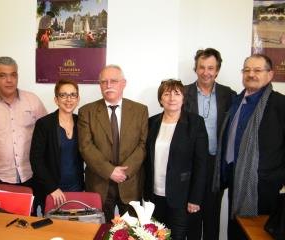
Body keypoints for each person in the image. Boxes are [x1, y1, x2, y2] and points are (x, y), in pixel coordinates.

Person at [213, 54, 285, 239]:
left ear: (270, 75)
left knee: (257, 235)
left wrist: (279, 179)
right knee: (236, 230)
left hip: (263, 187)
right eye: (247, 70)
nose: (251, 74)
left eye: (257, 70)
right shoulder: (236, 100)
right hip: (234, 178)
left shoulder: (280, 104)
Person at [0, 56, 47, 207]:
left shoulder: (32, 101)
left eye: (13, 74)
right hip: (1, 179)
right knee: (3, 223)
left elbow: (47, 135)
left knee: (31, 221)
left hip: (33, 175)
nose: (9, 80)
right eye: (3, 75)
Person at [78, 64, 148, 223]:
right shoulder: (86, 111)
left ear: (124, 83)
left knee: (132, 232)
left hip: (130, 183)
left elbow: (143, 145)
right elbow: (85, 147)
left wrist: (123, 172)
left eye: (113, 81)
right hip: (99, 183)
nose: (108, 85)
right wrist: (110, 171)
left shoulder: (140, 110)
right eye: (104, 82)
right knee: (100, 232)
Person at [144, 79, 208, 240]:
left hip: (181, 196)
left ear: (183, 98)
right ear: (160, 99)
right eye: (167, 93)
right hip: (155, 195)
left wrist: (195, 198)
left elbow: (201, 164)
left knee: (176, 237)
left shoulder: (195, 123)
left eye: (176, 93)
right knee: (157, 236)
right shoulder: (152, 122)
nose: (172, 98)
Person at [184, 48, 236, 240]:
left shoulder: (229, 95)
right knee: (192, 214)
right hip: (191, 165)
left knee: (213, 215)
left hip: (216, 165)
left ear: (217, 70)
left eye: (211, 68)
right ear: (195, 69)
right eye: (202, 67)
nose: (206, 72)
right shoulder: (183, 93)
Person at [30, 79, 84, 213]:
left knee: (75, 228)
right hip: (52, 190)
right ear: (56, 99)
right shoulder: (44, 124)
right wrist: (52, 187)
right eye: (63, 95)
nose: (68, 99)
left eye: (73, 95)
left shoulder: (82, 122)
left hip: (76, 188)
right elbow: (36, 160)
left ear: (78, 99)